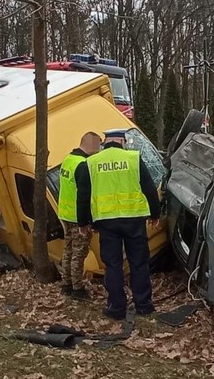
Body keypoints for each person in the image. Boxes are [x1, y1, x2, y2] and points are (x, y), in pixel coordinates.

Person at [76, 129, 161, 320]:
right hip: (134, 220)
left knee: (112, 265)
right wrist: (155, 213)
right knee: (139, 263)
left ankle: (116, 307)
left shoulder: (90, 163)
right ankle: (144, 305)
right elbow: (149, 188)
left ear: (106, 142)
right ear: (122, 141)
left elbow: (82, 196)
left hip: (106, 223)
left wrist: (83, 222)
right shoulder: (133, 158)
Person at [57, 131, 103, 301]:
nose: (99, 150)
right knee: (79, 252)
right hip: (78, 217)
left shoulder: (68, 159)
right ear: (91, 145)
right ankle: (77, 288)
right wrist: (86, 222)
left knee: (68, 249)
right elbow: (84, 197)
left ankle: (67, 283)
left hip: (65, 214)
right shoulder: (83, 165)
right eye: (98, 145)